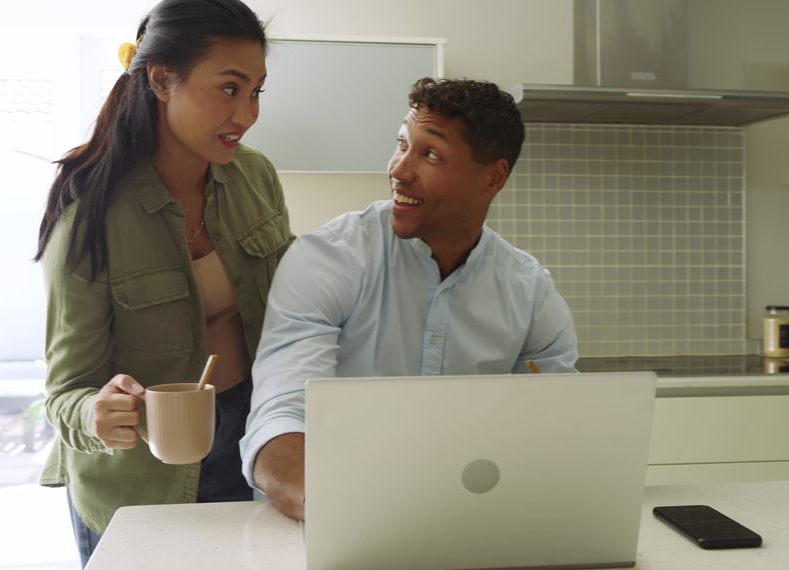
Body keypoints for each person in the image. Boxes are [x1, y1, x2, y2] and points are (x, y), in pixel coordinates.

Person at [239, 77, 578, 521]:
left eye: (430, 154)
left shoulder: (529, 291)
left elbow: (554, 427)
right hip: (321, 523)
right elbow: (281, 416)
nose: (399, 169)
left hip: (468, 521)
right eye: (402, 144)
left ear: (493, 177)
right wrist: (338, 512)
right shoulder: (329, 259)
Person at [33, 0, 292, 565]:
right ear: (161, 79)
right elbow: (65, 393)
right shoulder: (89, 215)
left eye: (256, 92)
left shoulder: (255, 176)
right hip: (138, 480)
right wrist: (97, 413)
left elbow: (291, 309)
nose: (247, 114)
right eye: (229, 89)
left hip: (249, 441)